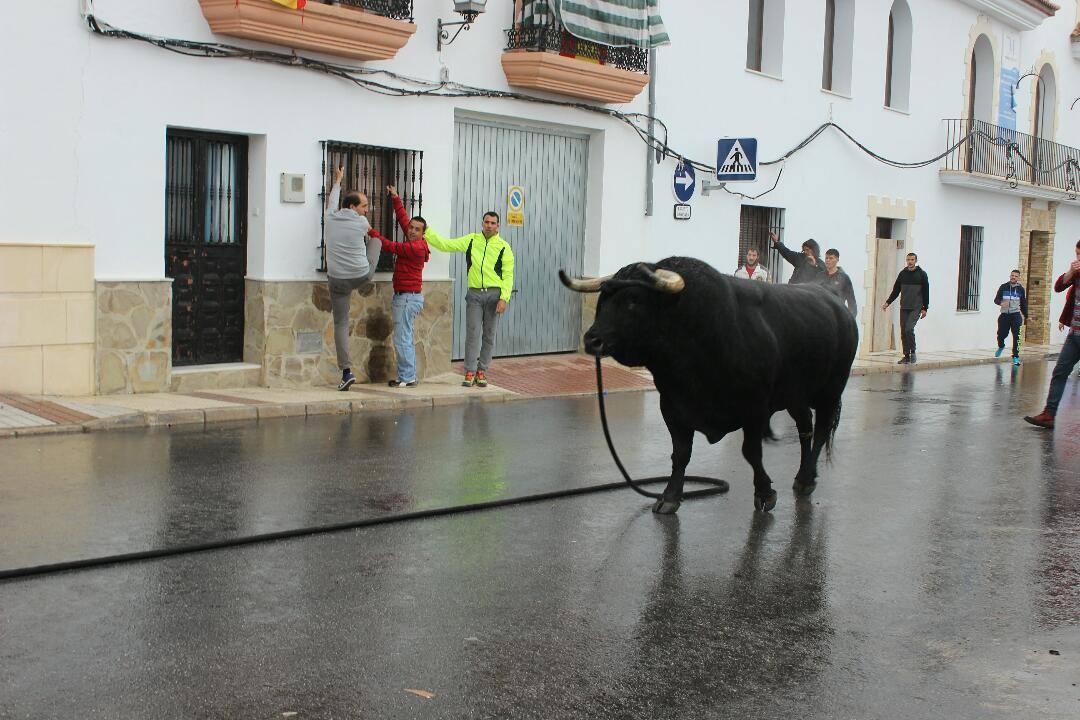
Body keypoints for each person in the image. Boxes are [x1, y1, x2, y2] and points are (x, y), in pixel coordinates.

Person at [425, 212, 515, 388]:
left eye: (493, 223)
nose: (489, 225)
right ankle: (470, 371)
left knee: (489, 335)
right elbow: (446, 245)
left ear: (498, 226)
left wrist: (504, 298)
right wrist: (427, 232)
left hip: (494, 295)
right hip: (474, 294)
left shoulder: (504, 247)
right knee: (472, 334)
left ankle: (482, 371)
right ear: (482, 224)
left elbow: (508, 275)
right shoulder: (472, 241)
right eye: (486, 222)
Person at [366, 185, 430, 388]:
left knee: (402, 339)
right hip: (406, 297)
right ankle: (407, 376)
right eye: (411, 228)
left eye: (416, 229)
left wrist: (369, 230)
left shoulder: (415, 248)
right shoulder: (415, 240)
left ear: (423, 233)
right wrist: (395, 198)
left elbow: (390, 246)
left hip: (407, 298)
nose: (411, 230)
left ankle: (408, 377)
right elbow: (403, 220)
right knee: (405, 337)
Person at [324, 166, 381, 391]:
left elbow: (332, 201)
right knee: (376, 241)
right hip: (361, 275)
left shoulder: (329, 218)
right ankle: (347, 373)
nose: (367, 210)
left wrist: (338, 181)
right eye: (364, 206)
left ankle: (345, 372)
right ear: (352, 207)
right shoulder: (361, 223)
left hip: (337, 279)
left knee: (340, 324)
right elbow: (373, 235)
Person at [1024, 239, 1080, 430]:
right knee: (1060, 371)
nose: (1078, 258)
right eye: (1077, 254)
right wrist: (1071, 272)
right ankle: (1049, 414)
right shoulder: (1077, 273)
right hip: (1075, 334)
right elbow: (1058, 287)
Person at [881, 252, 929, 365]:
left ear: (916, 261)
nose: (910, 261)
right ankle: (906, 356)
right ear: (906, 261)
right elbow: (896, 290)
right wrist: (888, 302)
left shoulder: (922, 274)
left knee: (909, 329)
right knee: (903, 331)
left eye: (912, 259)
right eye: (908, 259)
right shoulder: (902, 274)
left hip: (916, 307)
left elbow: (926, 292)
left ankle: (913, 353)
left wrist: (925, 308)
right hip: (904, 307)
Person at [993, 270, 1028, 366]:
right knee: (1001, 334)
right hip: (1004, 315)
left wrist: (1026, 316)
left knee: (1017, 336)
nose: (1013, 277)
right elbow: (996, 299)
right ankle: (1001, 346)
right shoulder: (1003, 287)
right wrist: (1001, 303)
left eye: (1016, 276)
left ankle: (1016, 356)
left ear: (1018, 278)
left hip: (1015, 315)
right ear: (1010, 276)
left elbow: (1023, 303)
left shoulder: (1021, 289)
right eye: (1012, 275)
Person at [822, 248, 858, 317]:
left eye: (831, 258)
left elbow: (852, 303)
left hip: (837, 316)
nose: (828, 260)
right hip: (821, 316)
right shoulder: (819, 276)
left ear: (837, 259)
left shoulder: (844, 278)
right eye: (826, 258)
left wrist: (850, 321)